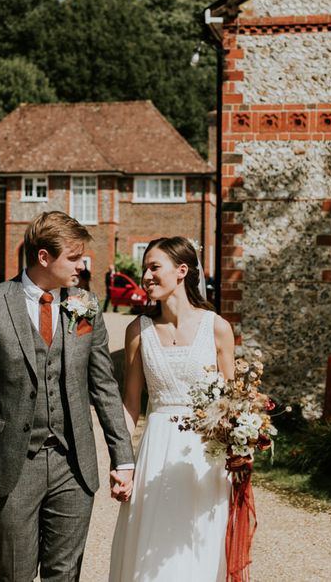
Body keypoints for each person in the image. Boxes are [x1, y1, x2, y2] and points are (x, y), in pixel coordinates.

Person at [0, 211, 134, 581]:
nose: (81, 266)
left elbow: (103, 385)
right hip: (14, 465)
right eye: (73, 257)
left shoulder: (82, 304)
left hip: (74, 464)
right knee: (16, 573)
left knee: (65, 574)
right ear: (43, 257)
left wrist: (123, 458)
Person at [108, 236, 236, 582]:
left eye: (154, 267)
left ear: (182, 271)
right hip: (156, 450)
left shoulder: (218, 329)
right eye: (144, 268)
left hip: (205, 458)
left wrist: (239, 449)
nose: (146, 276)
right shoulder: (138, 330)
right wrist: (123, 462)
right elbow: (130, 403)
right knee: (152, 549)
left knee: (198, 545)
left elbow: (233, 402)